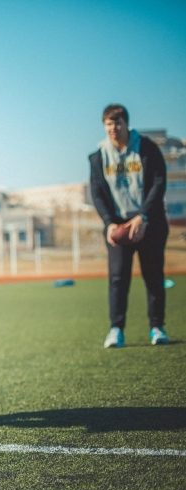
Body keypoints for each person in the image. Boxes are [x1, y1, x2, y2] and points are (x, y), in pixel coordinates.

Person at [89, 104, 169, 348]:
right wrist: (110, 223)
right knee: (118, 278)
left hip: (148, 223)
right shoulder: (99, 156)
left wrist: (144, 216)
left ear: (126, 123)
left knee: (153, 276)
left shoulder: (146, 148)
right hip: (118, 225)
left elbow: (158, 182)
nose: (114, 128)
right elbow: (97, 193)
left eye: (118, 123)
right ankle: (116, 330)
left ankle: (157, 327)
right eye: (109, 124)